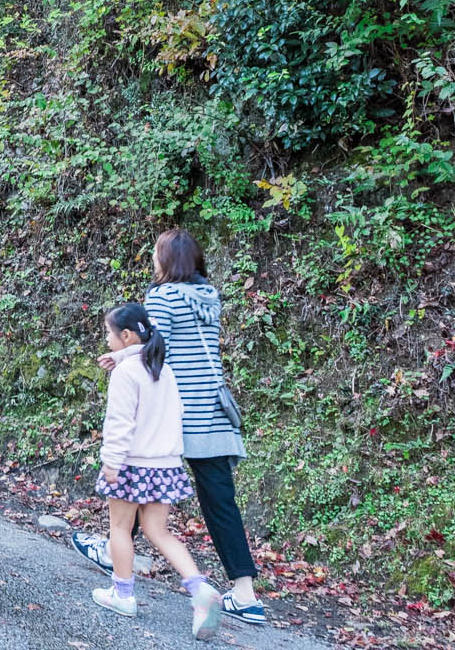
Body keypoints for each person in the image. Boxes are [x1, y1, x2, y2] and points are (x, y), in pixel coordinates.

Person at [72, 229, 265, 626]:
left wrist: (124, 356)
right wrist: (127, 352)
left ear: (169, 261)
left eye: (156, 254)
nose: (153, 260)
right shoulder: (209, 297)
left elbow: (157, 346)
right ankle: (245, 593)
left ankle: (115, 551)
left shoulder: (163, 296)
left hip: (178, 414)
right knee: (219, 502)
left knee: (141, 478)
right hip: (213, 411)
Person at [90, 302, 224, 640]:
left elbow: (120, 422)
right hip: (165, 464)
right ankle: (199, 589)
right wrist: (120, 358)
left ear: (126, 335)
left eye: (109, 333)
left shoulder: (126, 373)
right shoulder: (162, 369)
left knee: (119, 528)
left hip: (132, 462)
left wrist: (111, 461)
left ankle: (122, 595)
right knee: (158, 531)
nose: (106, 339)